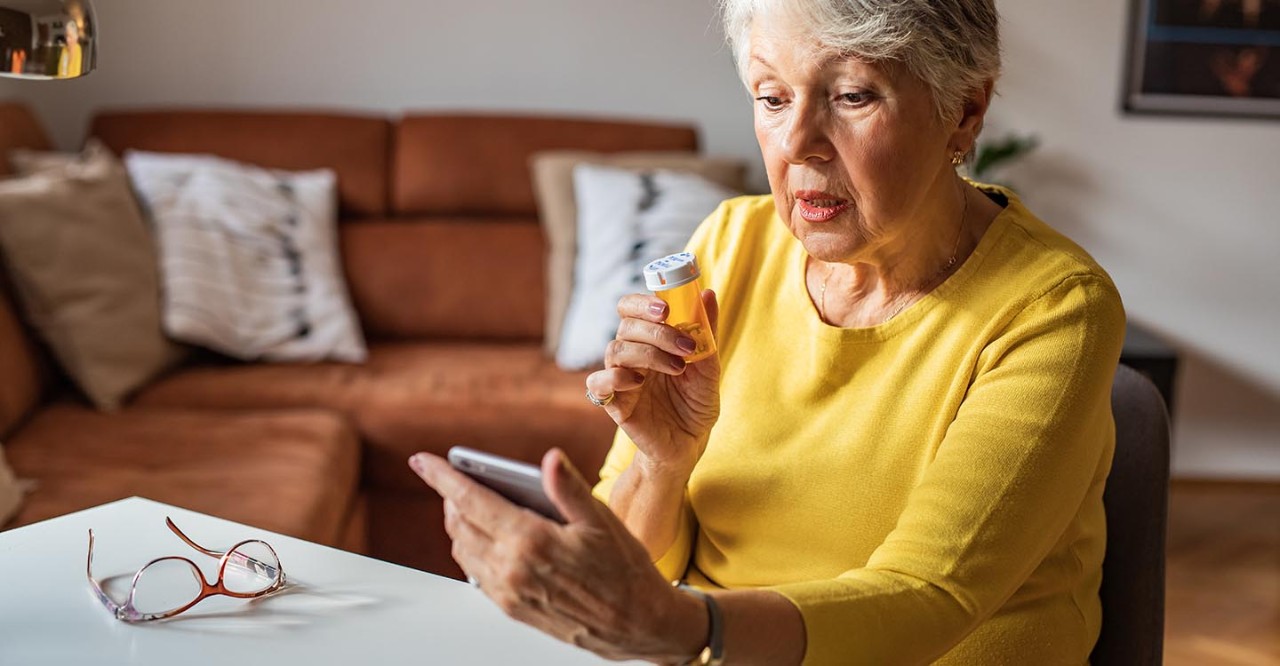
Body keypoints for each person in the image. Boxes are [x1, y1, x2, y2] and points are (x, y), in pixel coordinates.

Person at [410, 0, 1125, 663]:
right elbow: (631, 583)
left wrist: (693, 629)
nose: (799, 143)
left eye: (852, 96)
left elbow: (934, 597)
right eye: (773, 98)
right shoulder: (729, 244)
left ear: (964, 111)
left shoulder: (1053, 308)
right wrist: (662, 462)